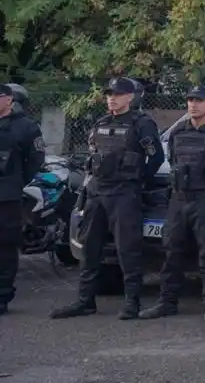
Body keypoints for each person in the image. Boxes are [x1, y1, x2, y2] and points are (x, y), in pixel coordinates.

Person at [51, 76, 163, 320]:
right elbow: (94, 155)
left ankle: (132, 303)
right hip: (97, 192)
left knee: (127, 250)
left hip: (123, 194)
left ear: (129, 97)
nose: (112, 98)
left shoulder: (141, 123)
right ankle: (85, 301)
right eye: (109, 94)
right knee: (89, 249)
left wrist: (137, 179)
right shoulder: (101, 122)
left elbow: (156, 158)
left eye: (117, 94)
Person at [138, 86, 205, 322]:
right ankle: (167, 302)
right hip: (180, 198)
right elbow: (173, 160)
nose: (193, 104)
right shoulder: (178, 131)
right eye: (190, 100)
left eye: (199, 100)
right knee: (172, 252)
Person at [0, 83, 46, 316]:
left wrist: (16, 182)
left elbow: (36, 159)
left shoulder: (26, 126)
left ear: (9, 100)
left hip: (7, 195)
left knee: (5, 245)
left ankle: (2, 296)